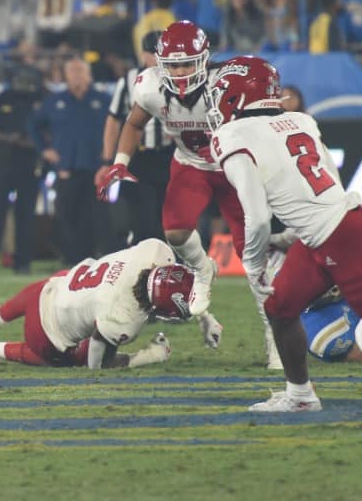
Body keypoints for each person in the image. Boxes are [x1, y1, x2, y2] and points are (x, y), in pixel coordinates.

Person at [207, 56, 362, 411]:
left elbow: (255, 218)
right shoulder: (301, 120)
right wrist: (294, 233)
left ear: (237, 95)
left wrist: (253, 267)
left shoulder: (232, 135)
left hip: (343, 240)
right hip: (327, 231)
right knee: (280, 309)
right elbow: (329, 185)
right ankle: (300, 396)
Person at [95, 21, 230, 356]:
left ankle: (273, 339)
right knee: (161, 232)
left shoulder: (223, 83)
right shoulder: (144, 84)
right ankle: (180, 281)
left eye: (186, 62)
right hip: (169, 162)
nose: (180, 71)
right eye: (173, 63)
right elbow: (129, 121)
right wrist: (118, 160)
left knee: (250, 244)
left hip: (215, 162)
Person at [0, 239, 191, 369]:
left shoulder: (153, 251)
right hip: (43, 335)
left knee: (64, 281)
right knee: (78, 356)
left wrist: (205, 315)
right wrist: (149, 357)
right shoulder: (123, 318)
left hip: (46, 288)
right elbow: (97, 364)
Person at [98, 32, 174, 249]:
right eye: (154, 53)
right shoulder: (130, 80)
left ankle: (171, 265)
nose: (158, 59)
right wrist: (108, 159)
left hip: (170, 155)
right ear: (143, 54)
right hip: (139, 155)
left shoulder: (176, 75)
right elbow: (113, 121)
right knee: (143, 217)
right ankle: (144, 263)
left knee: (170, 216)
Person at [32, 58, 110, 265]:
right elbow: (33, 125)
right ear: (65, 76)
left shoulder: (103, 100)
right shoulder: (55, 101)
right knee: (67, 213)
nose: (76, 75)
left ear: (89, 75)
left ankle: (92, 256)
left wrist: (110, 152)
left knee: (95, 214)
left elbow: (118, 124)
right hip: (66, 167)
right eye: (72, 71)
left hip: (96, 167)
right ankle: (71, 258)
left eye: (80, 71)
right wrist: (45, 150)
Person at [0, 66, 42, 275]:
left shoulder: (40, 99)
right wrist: (9, 139)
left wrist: (35, 143)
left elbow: (50, 130)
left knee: (25, 214)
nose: (24, 84)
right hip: (2, 162)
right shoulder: (2, 98)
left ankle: (23, 262)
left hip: (30, 164)